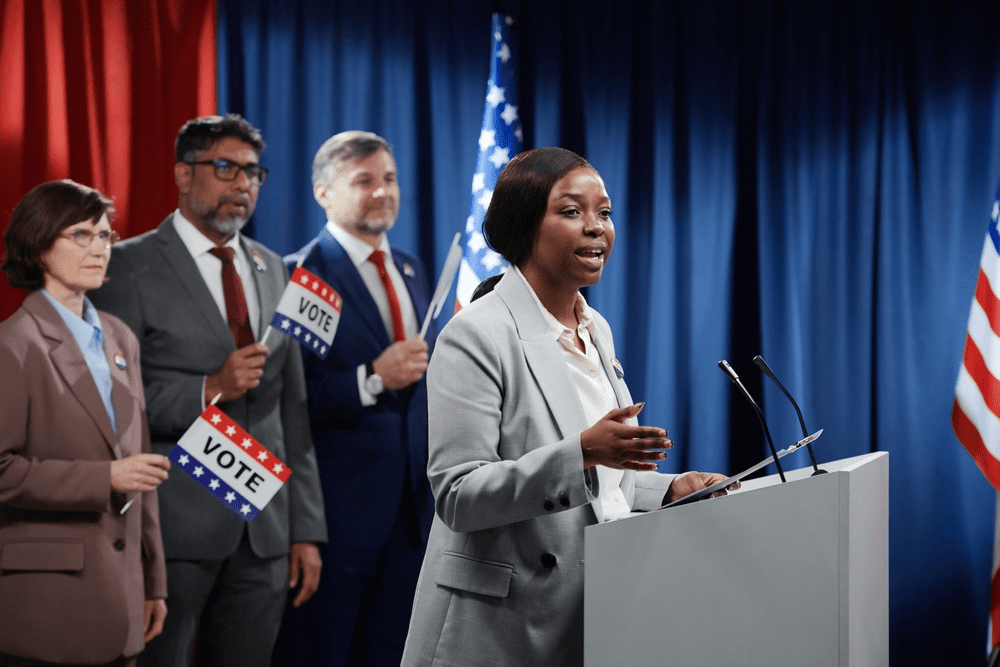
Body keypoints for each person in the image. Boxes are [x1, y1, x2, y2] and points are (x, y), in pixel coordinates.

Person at [400, 147, 735, 667]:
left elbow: (599, 479)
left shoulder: (595, 327)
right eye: (572, 211)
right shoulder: (476, 333)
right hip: (496, 626)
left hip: (588, 613)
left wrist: (666, 488)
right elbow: (459, 495)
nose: (597, 228)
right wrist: (580, 452)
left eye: (603, 212)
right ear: (523, 225)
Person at [88, 114, 327, 667]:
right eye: (224, 167)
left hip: (264, 531)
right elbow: (109, 401)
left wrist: (306, 529)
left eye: (253, 172)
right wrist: (209, 387)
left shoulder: (275, 269)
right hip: (174, 530)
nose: (242, 183)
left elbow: (293, 407)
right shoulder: (126, 266)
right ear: (182, 173)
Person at [275, 131, 434, 667]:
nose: (382, 192)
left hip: (414, 513)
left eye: (389, 179)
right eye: (364, 181)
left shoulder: (411, 270)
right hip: (339, 517)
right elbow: (291, 400)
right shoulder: (302, 275)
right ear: (324, 192)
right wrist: (372, 377)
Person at [0, 180, 170, 666]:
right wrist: (103, 479)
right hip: (46, 604)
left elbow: (141, 469)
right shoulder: (13, 345)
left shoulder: (119, 337)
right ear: (38, 243)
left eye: (105, 235)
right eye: (81, 234)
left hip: (122, 595)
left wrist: (153, 578)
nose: (99, 248)